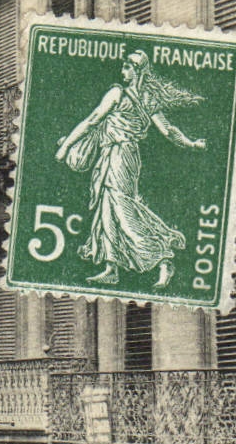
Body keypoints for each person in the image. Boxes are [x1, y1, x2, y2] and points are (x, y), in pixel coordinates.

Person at [56, 48, 207, 288]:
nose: (123, 70)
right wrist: (191, 143)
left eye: (127, 67)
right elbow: (168, 131)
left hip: (120, 154)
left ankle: (162, 258)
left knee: (122, 208)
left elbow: (93, 119)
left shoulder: (118, 93)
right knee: (108, 208)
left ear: (137, 71)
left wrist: (66, 146)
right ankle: (111, 267)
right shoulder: (148, 99)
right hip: (119, 155)